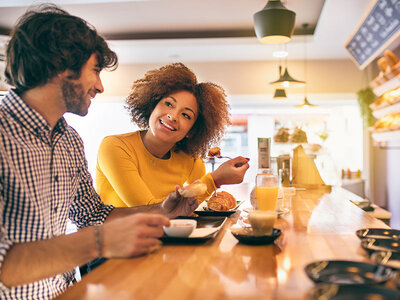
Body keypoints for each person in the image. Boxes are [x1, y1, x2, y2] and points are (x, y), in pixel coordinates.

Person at [0, 5, 197, 300]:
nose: (100, 86)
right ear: (61, 66)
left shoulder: (69, 141)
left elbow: (92, 214)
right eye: (95, 70)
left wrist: (161, 210)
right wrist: (99, 242)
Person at [96, 63, 250, 208]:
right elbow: (147, 208)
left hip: (164, 235)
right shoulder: (115, 146)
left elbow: (195, 202)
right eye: (168, 104)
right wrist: (215, 179)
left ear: (192, 131)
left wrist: (217, 181)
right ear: (153, 105)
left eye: (186, 115)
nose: (173, 116)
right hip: (114, 236)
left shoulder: (189, 159)